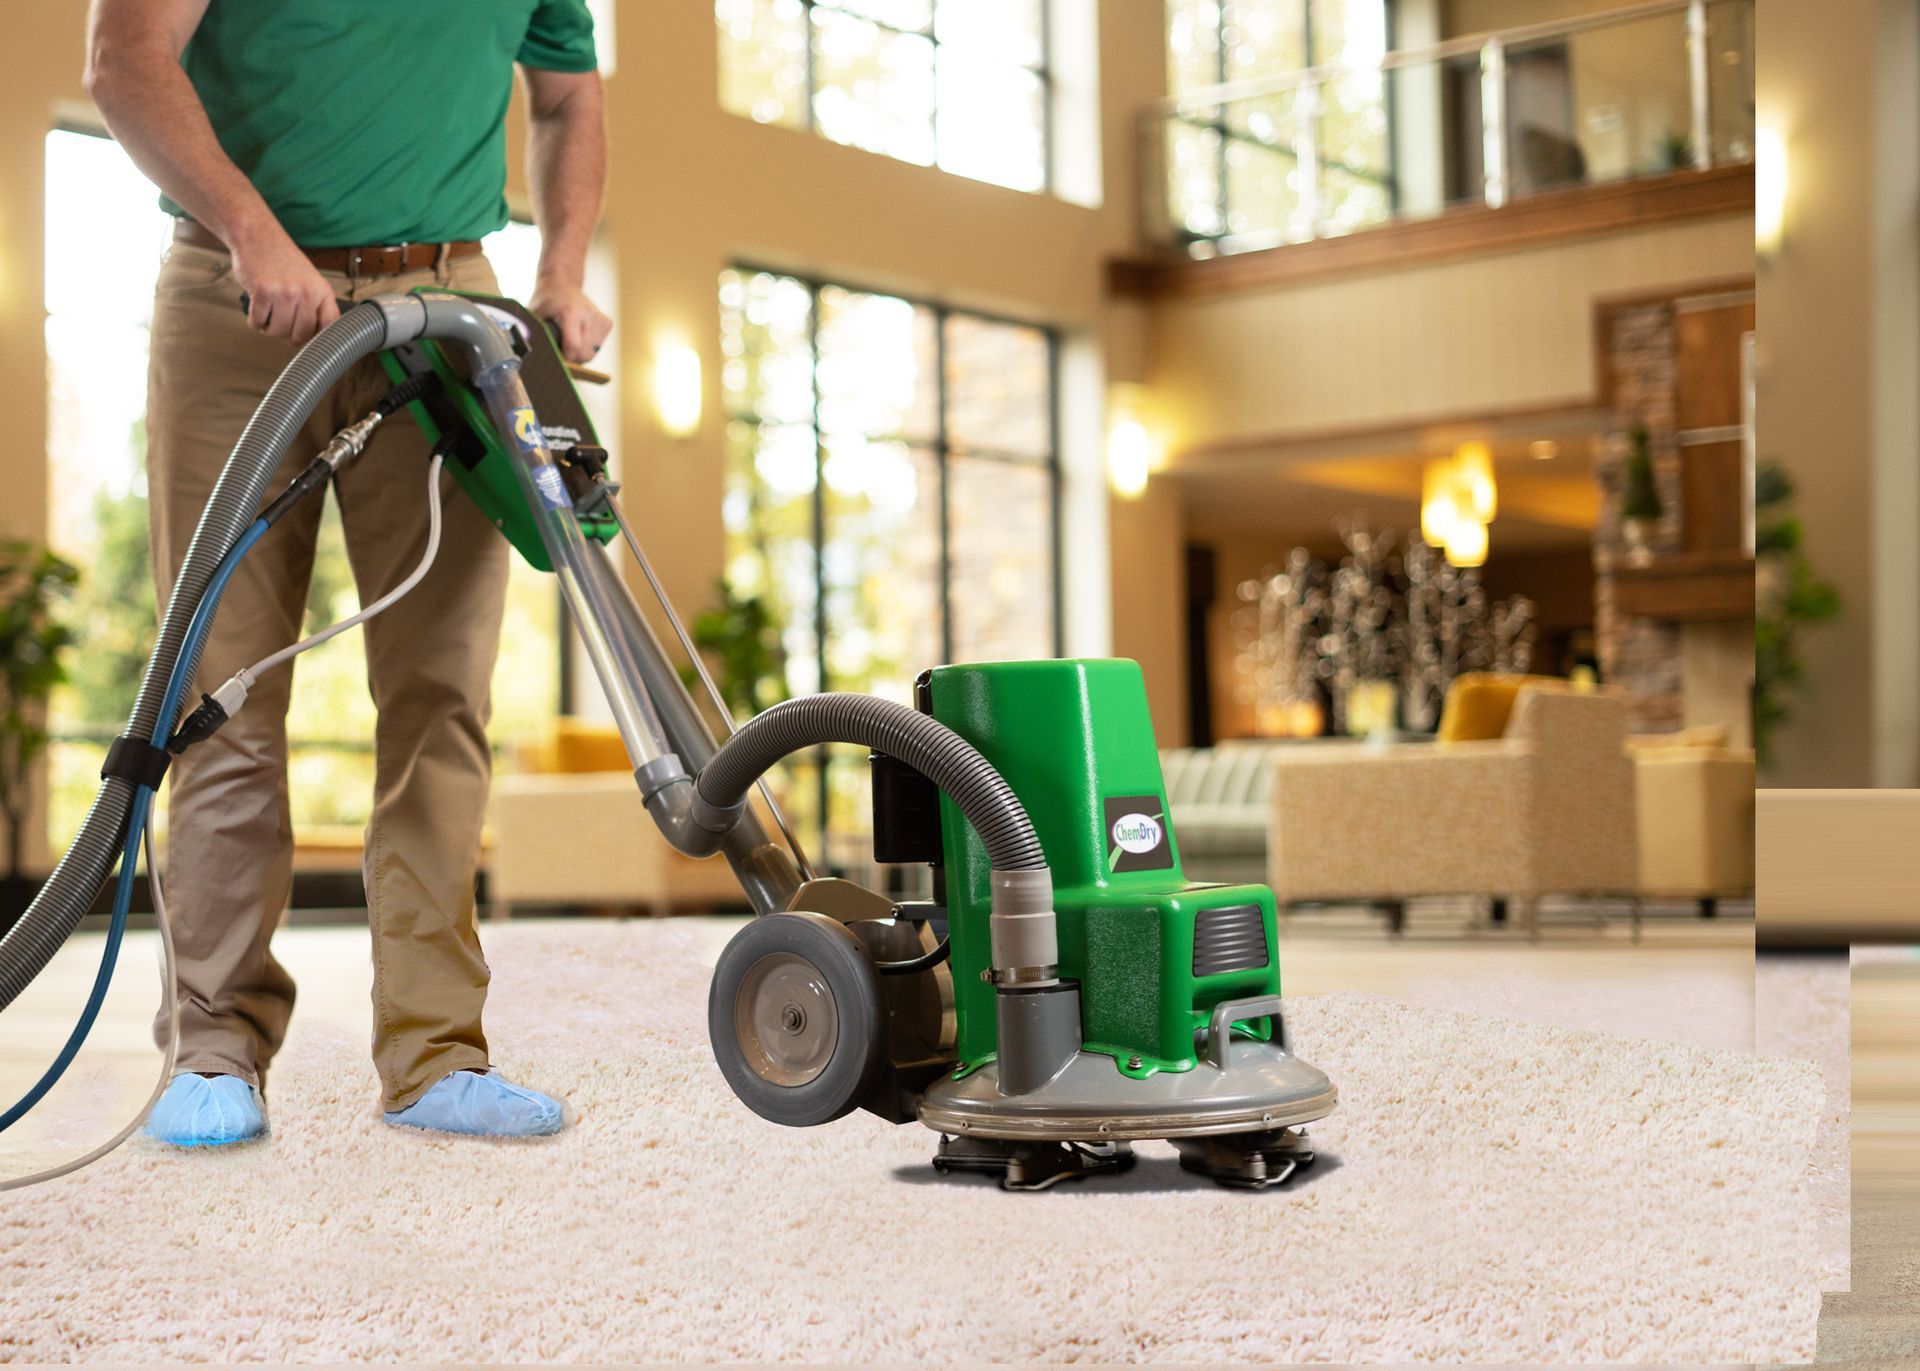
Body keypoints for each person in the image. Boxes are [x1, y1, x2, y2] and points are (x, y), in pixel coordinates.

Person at [83, 0, 614, 1145]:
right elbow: (124, 59)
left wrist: (562, 269)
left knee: (442, 695)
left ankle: (435, 1056)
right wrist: (250, 230)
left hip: (452, 312)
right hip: (241, 299)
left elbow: (569, 94)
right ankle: (215, 1047)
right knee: (224, 684)